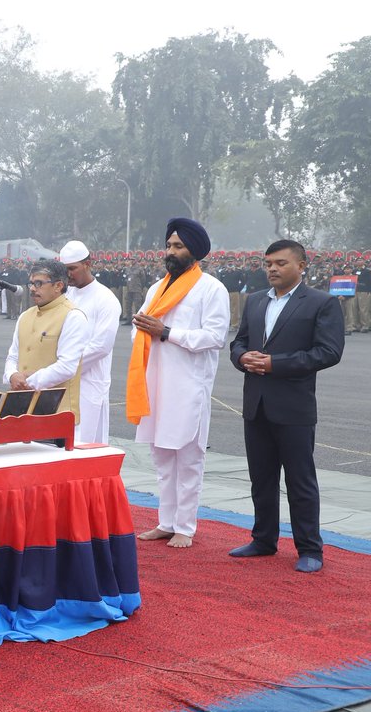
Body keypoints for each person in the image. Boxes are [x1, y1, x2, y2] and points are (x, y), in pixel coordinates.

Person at [228, 240, 344, 573]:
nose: (272, 269)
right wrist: (241, 357)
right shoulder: (254, 302)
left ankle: (309, 548)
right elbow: (238, 341)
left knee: (300, 480)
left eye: (280, 263)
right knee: (261, 478)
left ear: (302, 265)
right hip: (256, 405)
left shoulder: (321, 303)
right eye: (268, 264)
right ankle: (263, 540)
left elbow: (328, 352)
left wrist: (274, 364)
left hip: (293, 408)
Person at [126, 218, 229, 549]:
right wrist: (145, 329)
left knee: (187, 459)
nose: (170, 251)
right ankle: (166, 521)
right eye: (169, 245)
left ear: (193, 251)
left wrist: (167, 333)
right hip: (155, 385)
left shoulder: (211, 288)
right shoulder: (158, 288)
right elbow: (138, 329)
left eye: (178, 246)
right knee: (162, 459)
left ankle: (185, 525)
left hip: (188, 388)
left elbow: (215, 337)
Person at [2, 260, 88, 422]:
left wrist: (27, 382)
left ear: (58, 286)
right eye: (32, 284)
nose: (33, 289)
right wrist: (12, 375)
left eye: (39, 283)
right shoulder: (25, 316)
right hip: (22, 409)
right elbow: (12, 356)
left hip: (57, 412)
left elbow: (67, 367)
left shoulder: (73, 316)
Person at [61, 240, 122, 444]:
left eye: (72, 268)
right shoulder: (63, 297)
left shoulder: (105, 299)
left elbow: (101, 346)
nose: (68, 274)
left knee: (85, 443)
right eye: (65, 269)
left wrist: (66, 366)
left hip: (89, 382)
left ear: (87, 264)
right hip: (60, 381)